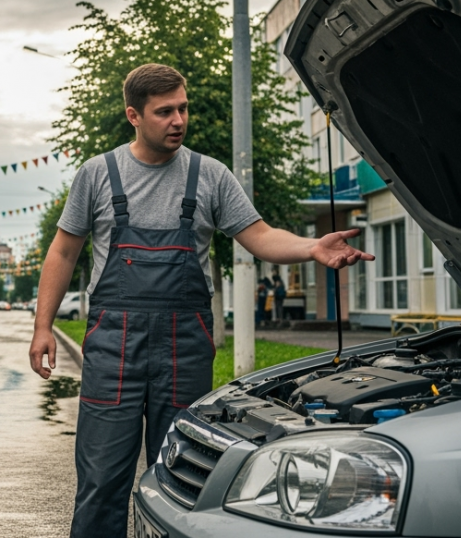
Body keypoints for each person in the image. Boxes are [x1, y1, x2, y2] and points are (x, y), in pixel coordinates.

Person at [28, 63, 373, 538]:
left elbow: (260, 236)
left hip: (183, 348)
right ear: (134, 115)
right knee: (101, 482)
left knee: (185, 480)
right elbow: (64, 250)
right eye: (164, 111)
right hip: (114, 350)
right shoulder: (97, 175)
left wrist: (311, 248)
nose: (179, 120)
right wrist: (43, 326)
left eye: (183, 108)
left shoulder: (209, 176)